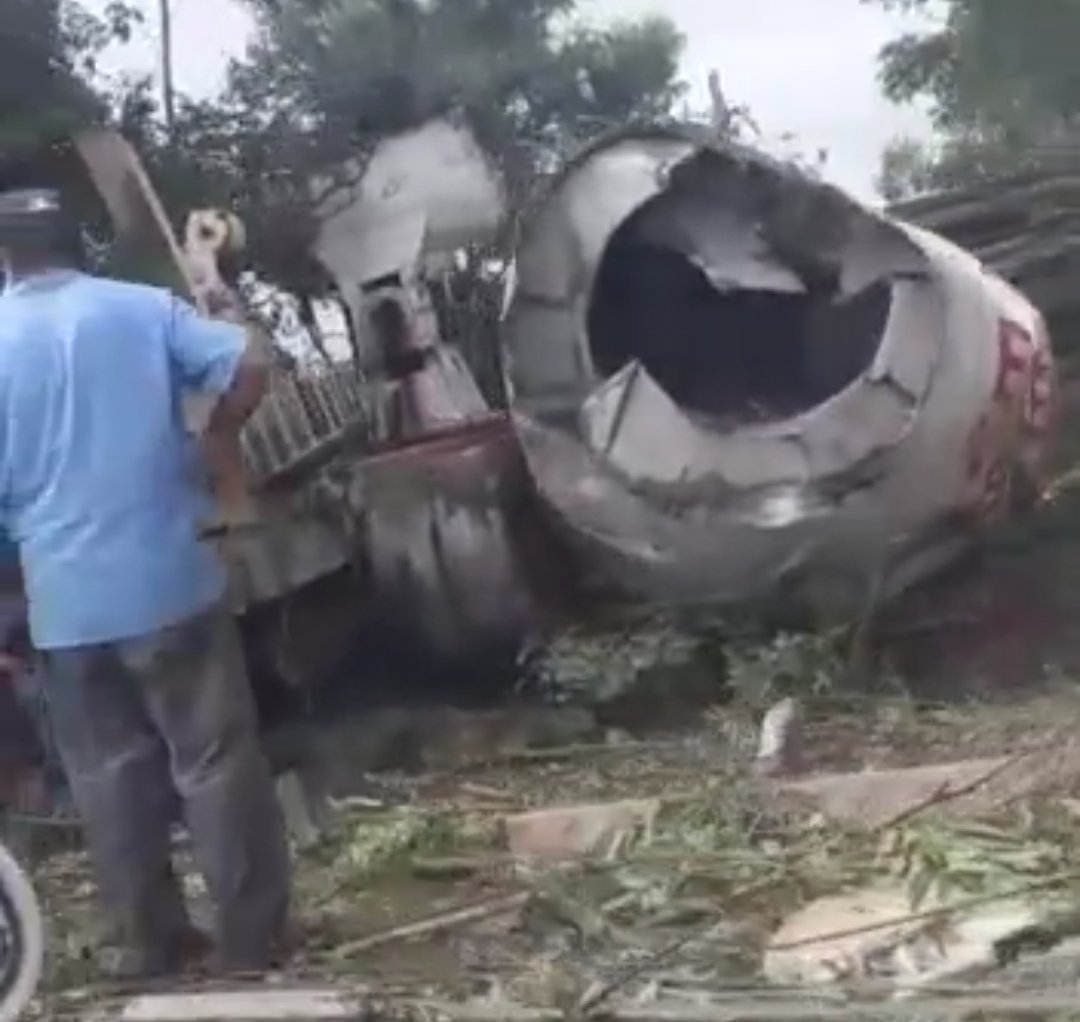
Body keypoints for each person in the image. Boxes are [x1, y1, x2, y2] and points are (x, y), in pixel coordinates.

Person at [0, 188, 291, 978]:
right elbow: (248, 361)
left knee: (107, 776)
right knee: (215, 761)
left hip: (64, 601)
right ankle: (250, 944)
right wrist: (218, 435)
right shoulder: (139, 309)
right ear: (75, 241)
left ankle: (151, 945)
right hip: (169, 580)